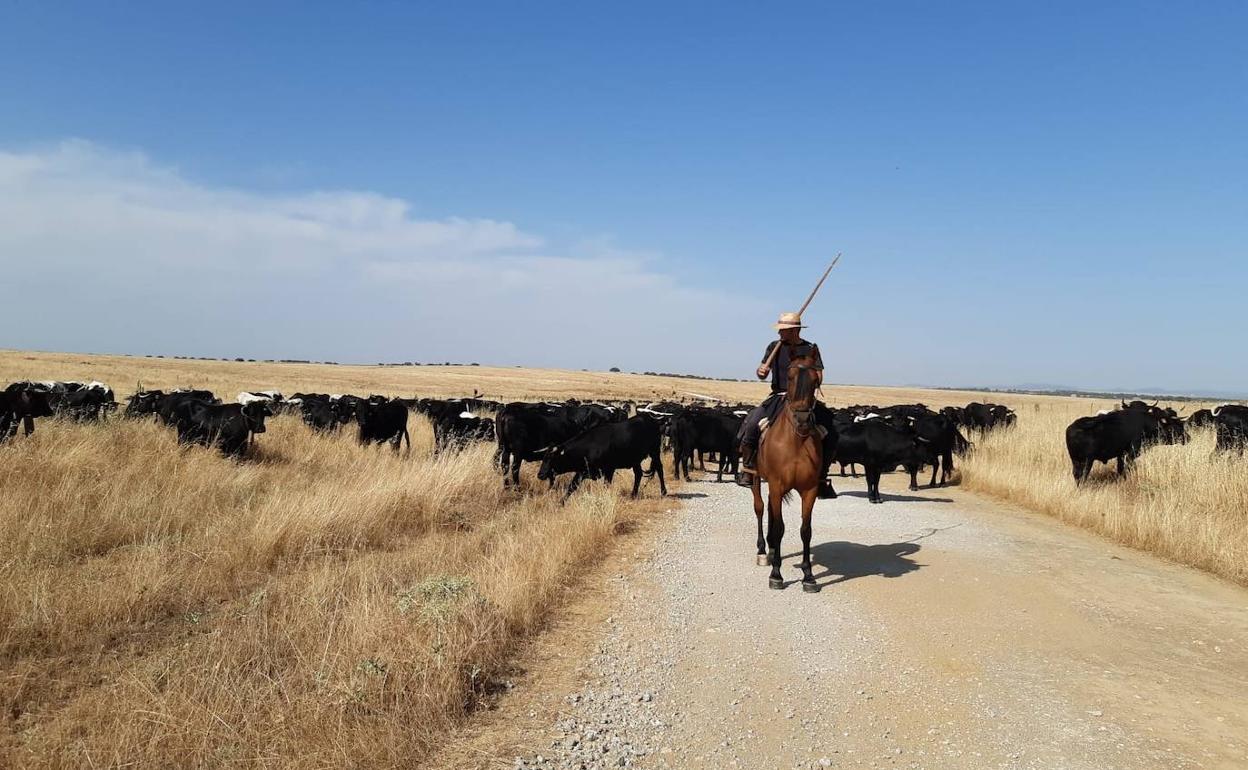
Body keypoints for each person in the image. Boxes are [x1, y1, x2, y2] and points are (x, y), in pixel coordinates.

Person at [735, 312, 836, 497]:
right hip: (779, 396)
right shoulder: (774, 347)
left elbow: (819, 375)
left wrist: (812, 375)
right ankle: (748, 469)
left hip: (805, 398)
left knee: (831, 428)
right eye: (780, 329)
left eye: (783, 330)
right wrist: (761, 372)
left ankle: (822, 476)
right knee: (751, 423)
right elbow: (761, 372)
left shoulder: (811, 348)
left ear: (795, 330)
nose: (780, 333)